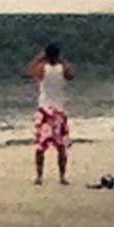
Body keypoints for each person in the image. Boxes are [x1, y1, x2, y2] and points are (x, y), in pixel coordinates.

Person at [25, 44, 75, 185]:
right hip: (58, 110)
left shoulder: (42, 69)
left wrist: (38, 58)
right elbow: (71, 76)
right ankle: (62, 176)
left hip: (45, 110)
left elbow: (29, 72)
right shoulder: (62, 69)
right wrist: (63, 60)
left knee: (41, 146)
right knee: (61, 147)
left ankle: (39, 176)